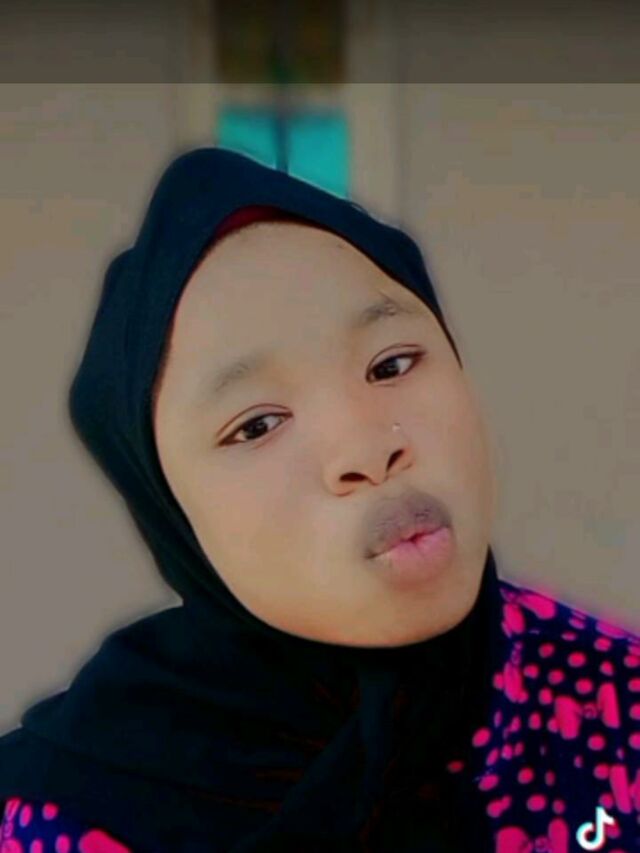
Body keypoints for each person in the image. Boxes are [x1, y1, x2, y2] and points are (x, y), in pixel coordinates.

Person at [0, 148, 638, 853]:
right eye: (257, 425)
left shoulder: (616, 699)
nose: (368, 450)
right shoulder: (65, 817)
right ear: (171, 515)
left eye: (392, 364)